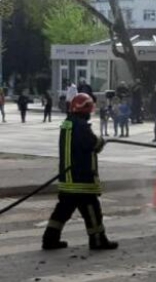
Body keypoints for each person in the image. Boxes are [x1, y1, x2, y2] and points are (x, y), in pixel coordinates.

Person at [41, 93, 118, 250]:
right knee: (92, 211)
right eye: (90, 109)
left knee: (62, 212)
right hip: (81, 179)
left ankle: (49, 239)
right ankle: (98, 240)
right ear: (86, 109)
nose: (91, 112)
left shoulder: (67, 124)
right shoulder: (82, 127)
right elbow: (93, 145)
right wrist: (101, 140)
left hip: (67, 179)